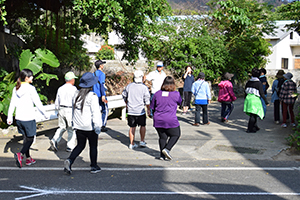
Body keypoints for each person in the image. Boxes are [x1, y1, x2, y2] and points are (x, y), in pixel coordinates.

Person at [7, 69, 49, 168]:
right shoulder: (31, 88)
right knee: (30, 139)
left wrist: (9, 117)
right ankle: (20, 154)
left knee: (26, 138)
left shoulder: (16, 88)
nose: (32, 78)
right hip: (28, 118)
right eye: (31, 76)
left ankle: (28, 158)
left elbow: (12, 103)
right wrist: (45, 114)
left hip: (19, 118)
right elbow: (37, 103)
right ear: (26, 78)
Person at [64, 72, 102, 175]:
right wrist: (97, 126)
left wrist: (73, 123)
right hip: (89, 126)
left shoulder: (76, 94)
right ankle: (94, 166)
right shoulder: (92, 96)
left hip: (78, 126)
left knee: (80, 145)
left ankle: (70, 160)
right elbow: (95, 113)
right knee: (93, 146)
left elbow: (73, 110)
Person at [150, 76, 182, 160]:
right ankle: (167, 149)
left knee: (162, 137)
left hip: (158, 118)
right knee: (176, 134)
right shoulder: (176, 94)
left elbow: (152, 106)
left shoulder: (157, 93)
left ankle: (162, 155)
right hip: (170, 118)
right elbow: (180, 102)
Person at [122, 70, 151, 149]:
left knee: (132, 127)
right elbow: (147, 100)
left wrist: (126, 103)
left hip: (131, 110)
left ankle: (131, 143)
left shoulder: (129, 86)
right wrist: (148, 109)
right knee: (143, 125)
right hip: (140, 110)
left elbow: (124, 95)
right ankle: (142, 141)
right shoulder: (144, 88)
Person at [50, 72, 78, 152]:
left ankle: (55, 139)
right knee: (71, 129)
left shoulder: (60, 88)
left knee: (61, 127)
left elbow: (57, 102)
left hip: (61, 109)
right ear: (72, 80)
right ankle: (70, 146)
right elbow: (76, 101)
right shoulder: (74, 89)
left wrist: (58, 109)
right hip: (70, 109)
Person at [244, 68, 269, 133]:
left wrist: (245, 99)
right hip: (255, 99)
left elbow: (245, 91)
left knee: (253, 114)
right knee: (253, 114)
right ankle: (250, 128)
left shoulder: (249, 82)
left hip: (248, 98)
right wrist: (266, 101)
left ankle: (255, 126)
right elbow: (262, 93)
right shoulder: (258, 83)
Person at [92, 60, 108, 132]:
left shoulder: (93, 74)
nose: (103, 65)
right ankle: (103, 125)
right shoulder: (102, 74)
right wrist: (103, 95)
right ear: (100, 66)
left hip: (94, 94)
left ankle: (95, 124)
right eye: (102, 64)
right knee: (105, 109)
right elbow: (102, 85)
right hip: (100, 94)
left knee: (95, 110)